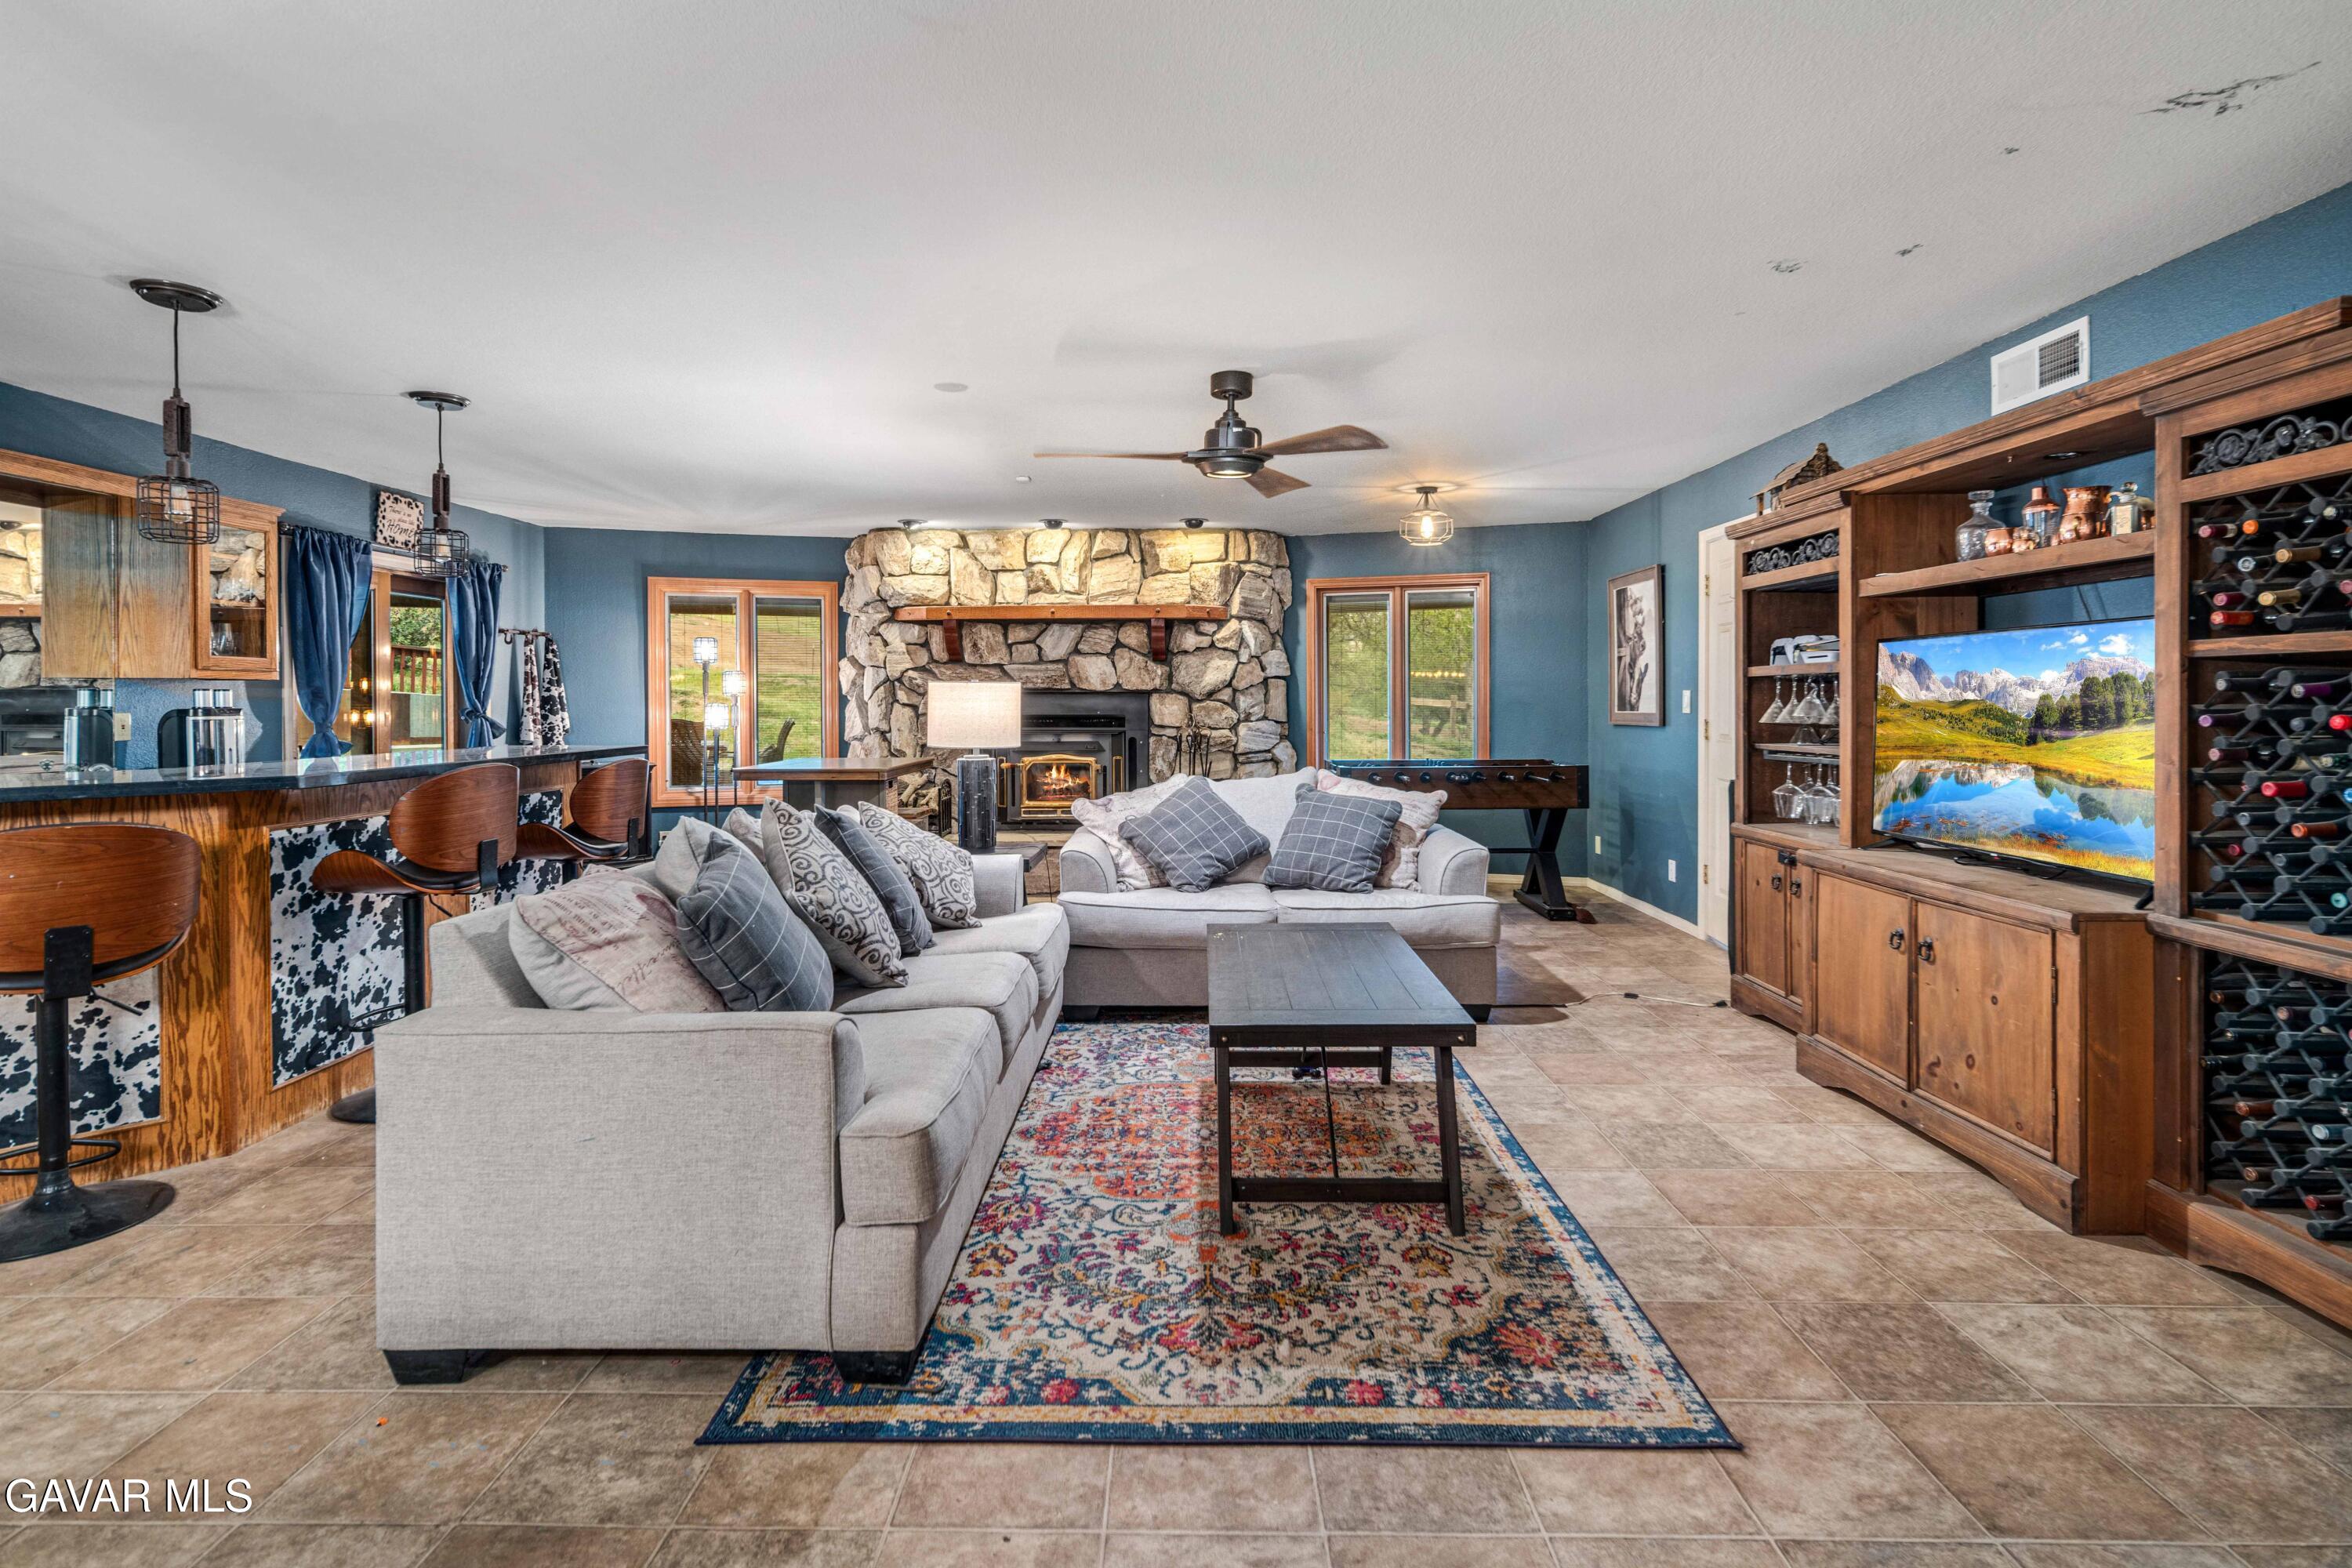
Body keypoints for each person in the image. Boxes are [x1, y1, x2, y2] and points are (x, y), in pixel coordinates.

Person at [1616, 591, 1650, 713]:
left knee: (1637, 674)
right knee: (1636, 674)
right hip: (1632, 658)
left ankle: (1634, 697)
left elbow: (1639, 640)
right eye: (1637, 609)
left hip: (1635, 657)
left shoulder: (1636, 622)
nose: (1639, 612)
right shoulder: (1630, 619)